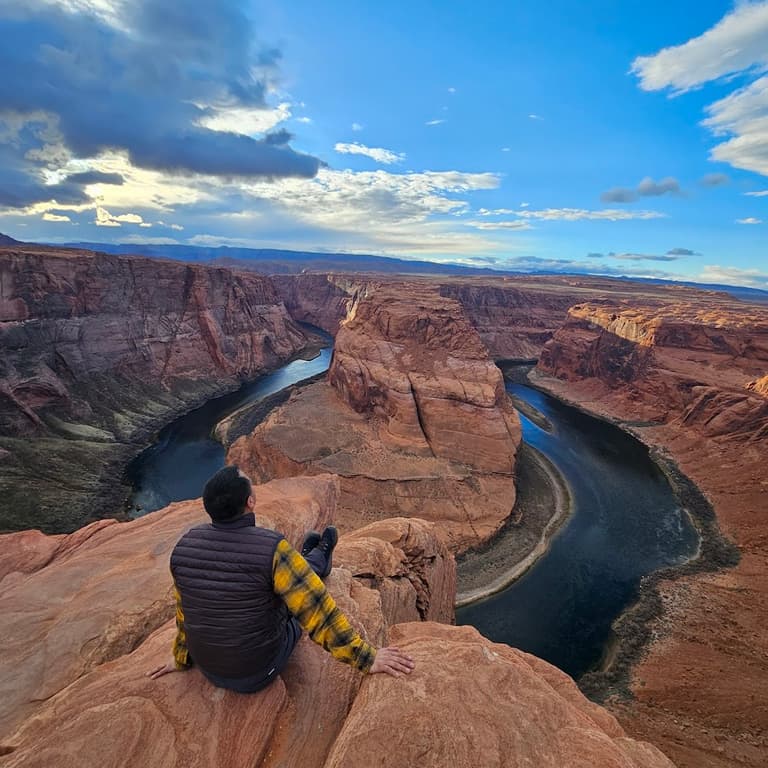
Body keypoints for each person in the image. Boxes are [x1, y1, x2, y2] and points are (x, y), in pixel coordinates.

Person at [147, 465, 414, 690]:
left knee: (283, 579)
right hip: (258, 670)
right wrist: (368, 659)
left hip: (210, 670)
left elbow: (185, 612)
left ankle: (314, 558)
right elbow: (318, 613)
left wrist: (181, 658)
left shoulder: (184, 546)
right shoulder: (271, 548)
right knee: (294, 593)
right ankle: (318, 559)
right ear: (250, 502)